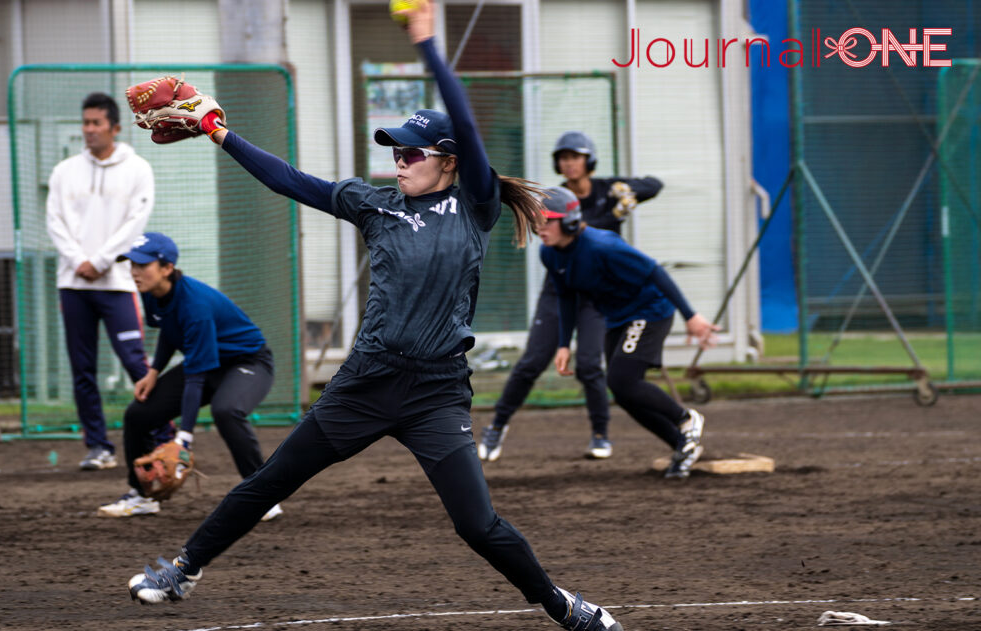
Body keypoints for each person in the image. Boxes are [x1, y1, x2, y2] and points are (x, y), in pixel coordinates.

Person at [125, 3, 622, 629]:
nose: (399, 159)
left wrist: (429, 45)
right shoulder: (373, 204)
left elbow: (466, 123)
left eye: (412, 153)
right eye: (395, 149)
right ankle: (181, 572)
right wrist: (219, 131)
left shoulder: (475, 206)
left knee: (477, 524)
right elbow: (290, 181)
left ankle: (564, 607)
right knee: (270, 481)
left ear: (445, 159)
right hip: (366, 382)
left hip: (436, 393)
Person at [479, 131, 662, 462]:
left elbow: (654, 184)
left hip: (594, 295)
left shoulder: (609, 190)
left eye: (575, 157)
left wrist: (630, 195)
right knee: (532, 362)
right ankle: (496, 427)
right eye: (563, 158)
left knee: (591, 365)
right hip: (559, 290)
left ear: (588, 160)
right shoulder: (558, 199)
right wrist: (613, 216)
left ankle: (600, 434)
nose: (569, 163)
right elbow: (577, 232)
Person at [97, 232, 282, 522]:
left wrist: (183, 438)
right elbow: (169, 332)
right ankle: (141, 496)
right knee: (137, 414)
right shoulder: (150, 292)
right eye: (131, 264)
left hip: (248, 362)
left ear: (167, 268)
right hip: (208, 362)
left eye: (142, 265)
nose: (134, 271)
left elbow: (195, 378)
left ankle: (263, 497)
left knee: (226, 410)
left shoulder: (195, 304)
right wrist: (153, 372)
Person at [537, 186, 719, 479]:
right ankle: (683, 445)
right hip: (619, 318)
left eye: (548, 220)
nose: (539, 227)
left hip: (649, 311)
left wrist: (691, 316)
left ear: (570, 220)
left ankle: (687, 420)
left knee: (623, 379)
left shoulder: (601, 246)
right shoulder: (550, 254)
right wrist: (563, 344)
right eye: (537, 219)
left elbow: (655, 272)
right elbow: (566, 297)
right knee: (623, 392)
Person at [45, 92, 172, 471]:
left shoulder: (138, 169)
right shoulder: (64, 171)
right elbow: (54, 221)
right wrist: (78, 262)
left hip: (117, 283)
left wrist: (100, 261)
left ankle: (167, 439)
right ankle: (98, 447)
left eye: (96, 123)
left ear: (115, 127)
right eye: (85, 123)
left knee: (136, 362)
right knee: (82, 369)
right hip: (74, 285)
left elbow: (135, 223)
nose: (89, 130)